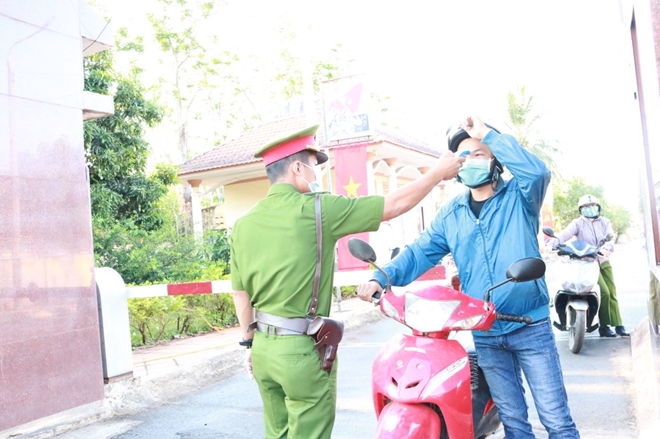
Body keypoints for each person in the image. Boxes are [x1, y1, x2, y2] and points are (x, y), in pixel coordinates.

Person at [230, 124, 465, 439]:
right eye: (312, 165)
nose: (315, 173)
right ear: (297, 168)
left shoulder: (243, 224)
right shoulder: (319, 209)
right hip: (300, 350)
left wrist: (249, 344)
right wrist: (437, 173)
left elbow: (240, 294)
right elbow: (392, 206)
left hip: (263, 349)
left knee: (277, 434)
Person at [357, 115, 580, 439]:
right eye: (464, 156)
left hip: (530, 326)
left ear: (495, 161)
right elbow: (419, 253)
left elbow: (537, 173)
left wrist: (487, 134)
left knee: (556, 420)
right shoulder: (452, 214)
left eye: (479, 153)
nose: (471, 161)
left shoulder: (520, 197)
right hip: (485, 330)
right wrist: (382, 278)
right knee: (513, 422)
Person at [547, 194, 629, 338]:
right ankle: (604, 326)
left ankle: (618, 325)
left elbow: (610, 238)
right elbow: (564, 234)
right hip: (588, 263)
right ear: (581, 210)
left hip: (603, 261)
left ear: (598, 207)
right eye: (586, 207)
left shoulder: (605, 222)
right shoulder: (578, 223)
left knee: (612, 293)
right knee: (604, 292)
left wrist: (606, 248)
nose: (590, 209)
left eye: (593, 206)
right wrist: (551, 244)